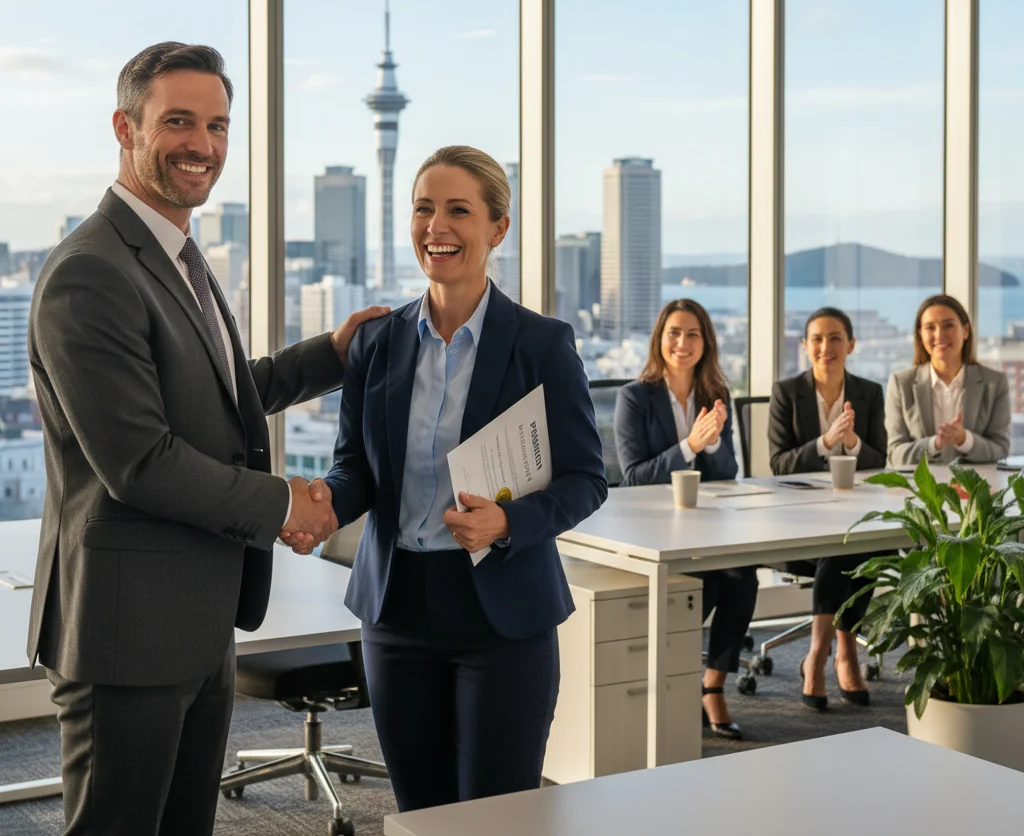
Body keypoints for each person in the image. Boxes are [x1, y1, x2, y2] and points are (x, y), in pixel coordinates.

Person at [27, 41, 387, 836]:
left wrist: (330, 355)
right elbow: (140, 461)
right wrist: (288, 500)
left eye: (218, 125)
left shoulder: (178, 255)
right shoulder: (91, 271)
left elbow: (218, 402)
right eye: (179, 122)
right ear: (126, 127)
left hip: (197, 615)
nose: (204, 145)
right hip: (127, 628)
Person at [304, 145, 607, 812]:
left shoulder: (541, 344)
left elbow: (587, 477)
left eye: (458, 211)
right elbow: (355, 467)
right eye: (423, 209)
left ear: (498, 228)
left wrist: (509, 521)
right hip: (396, 611)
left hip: (500, 615)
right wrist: (326, 504)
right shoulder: (376, 343)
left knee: (496, 815)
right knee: (422, 812)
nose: (436, 226)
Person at [613, 298, 757, 740]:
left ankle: (711, 685)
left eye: (693, 334)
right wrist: (691, 445)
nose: (683, 342)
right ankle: (670, 679)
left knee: (741, 576)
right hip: (649, 527)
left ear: (705, 343)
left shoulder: (716, 396)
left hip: (704, 525)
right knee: (704, 585)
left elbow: (728, 473)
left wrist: (712, 444)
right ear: (660, 340)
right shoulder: (634, 398)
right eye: (674, 332)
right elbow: (634, 476)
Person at [768, 307, 886, 710]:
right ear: (804, 347)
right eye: (816, 339)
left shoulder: (869, 393)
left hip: (855, 517)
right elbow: (778, 465)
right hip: (798, 525)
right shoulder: (787, 393)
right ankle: (831, 652)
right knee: (840, 551)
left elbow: (881, 463)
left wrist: (851, 441)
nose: (826, 347)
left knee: (870, 547)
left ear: (851, 345)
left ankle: (827, 653)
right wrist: (824, 441)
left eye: (836, 338)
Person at [886, 294, 1010, 467]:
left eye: (948, 326)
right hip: (920, 491)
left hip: (975, 490)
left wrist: (964, 439)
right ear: (920, 334)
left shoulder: (995, 383)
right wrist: (934, 444)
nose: (939, 335)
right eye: (930, 328)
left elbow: (1001, 449)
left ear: (965, 331)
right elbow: (894, 455)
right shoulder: (901, 383)